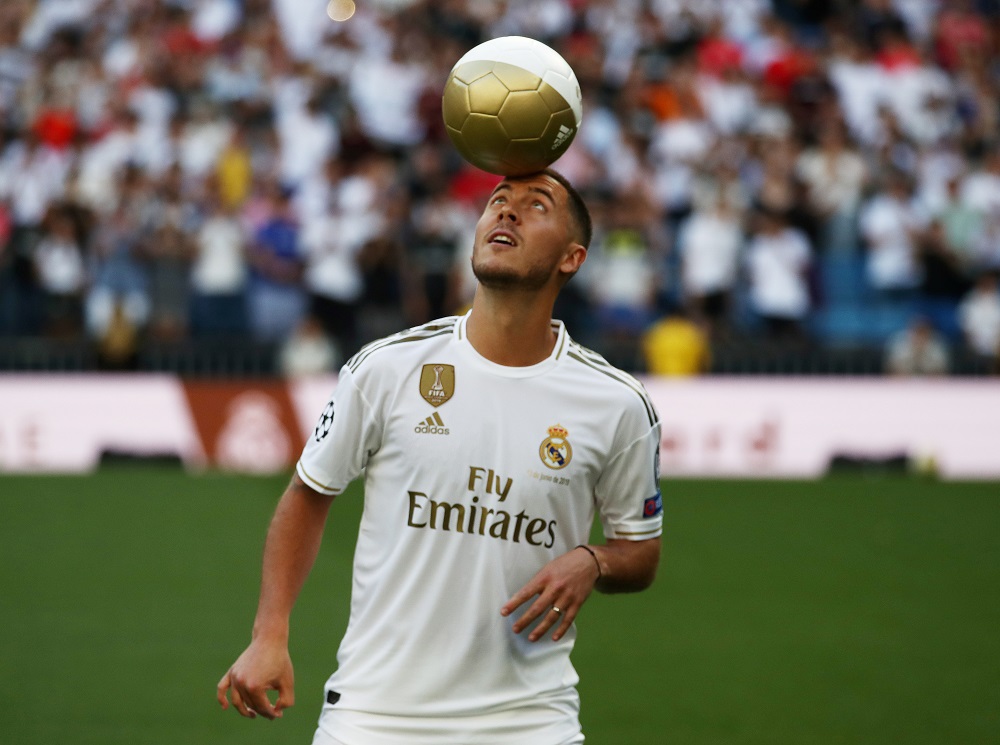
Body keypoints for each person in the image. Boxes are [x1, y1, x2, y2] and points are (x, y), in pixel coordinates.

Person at [216, 169, 663, 745]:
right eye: (498, 201)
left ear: (571, 258)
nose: (506, 212)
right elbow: (309, 493)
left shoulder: (617, 403)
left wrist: (594, 562)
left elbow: (641, 551)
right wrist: (269, 633)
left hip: (530, 725)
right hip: (372, 721)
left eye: (536, 205)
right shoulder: (386, 368)